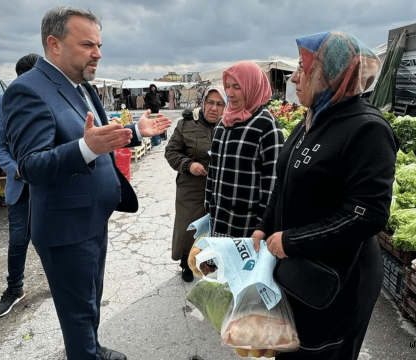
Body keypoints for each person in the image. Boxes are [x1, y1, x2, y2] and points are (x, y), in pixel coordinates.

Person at [3, 6, 171, 360]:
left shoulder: (81, 86)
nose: (98, 53)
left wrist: (135, 132)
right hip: (66, 229)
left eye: (98, 44)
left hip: (92, 219)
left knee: (90, 299)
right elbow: (30, 165)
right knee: (77, 311)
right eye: (88, 44)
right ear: (55, 44)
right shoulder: (27, 90)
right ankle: (85, 353)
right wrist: (84, 148)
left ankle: (91, 349)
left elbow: (100, 137)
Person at [252, 32, 397, 360]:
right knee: (290, 344)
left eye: (304, 69)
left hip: (338, 280)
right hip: (299, 269)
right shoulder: (311, 120)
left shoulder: (367, 129)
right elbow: (283, 180)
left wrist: (291, 241)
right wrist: (265, 225)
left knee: (322, 352)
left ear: (330, 76)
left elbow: (367, 214)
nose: (294, 77)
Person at [205, 61, 284, 238]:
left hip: (247, 228)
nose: (230, 93)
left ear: (252, 87)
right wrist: (208, 205)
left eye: (237, 87)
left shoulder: (266, 126)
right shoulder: (222, 123)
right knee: (216, 265)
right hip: (218, 222)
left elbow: (272, 183)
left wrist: (263, 225)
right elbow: (213, 171)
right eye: (227, 86)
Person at [0, 53, 39, 318]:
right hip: (21, 184)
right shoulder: (3, 102)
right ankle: (14, 289)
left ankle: (61, 281)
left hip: (49, 185)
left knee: (51, 238)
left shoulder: (50, 98)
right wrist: (16, 169)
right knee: (19, 240)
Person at [164, 85, 227, 282]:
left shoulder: (231, 125)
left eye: (219, 104)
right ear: (203, 103)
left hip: (220, 186)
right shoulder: (186, 124)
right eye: (210, 103)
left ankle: (211, 262)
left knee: (217, 225)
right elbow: (171, 152)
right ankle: (186, 263)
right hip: (192, 185)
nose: (214, 108)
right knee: (188, 226)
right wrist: (189, 165)